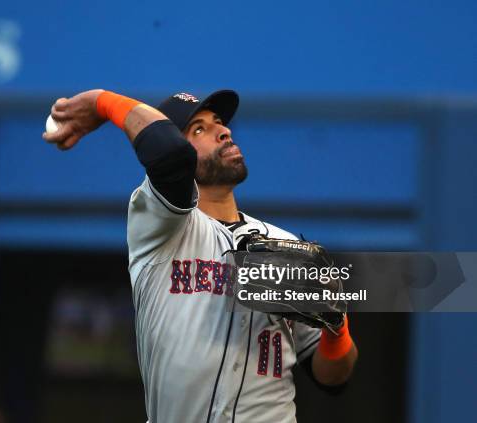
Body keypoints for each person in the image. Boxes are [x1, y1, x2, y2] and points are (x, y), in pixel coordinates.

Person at [42, 89, 358, 423]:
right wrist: (101, 102)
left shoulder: (284, 245)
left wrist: (336, 327)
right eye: (199, 129)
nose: (224, 131)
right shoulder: (159, 223)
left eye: (220, 123)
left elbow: (333, 379)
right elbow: (168, 151)